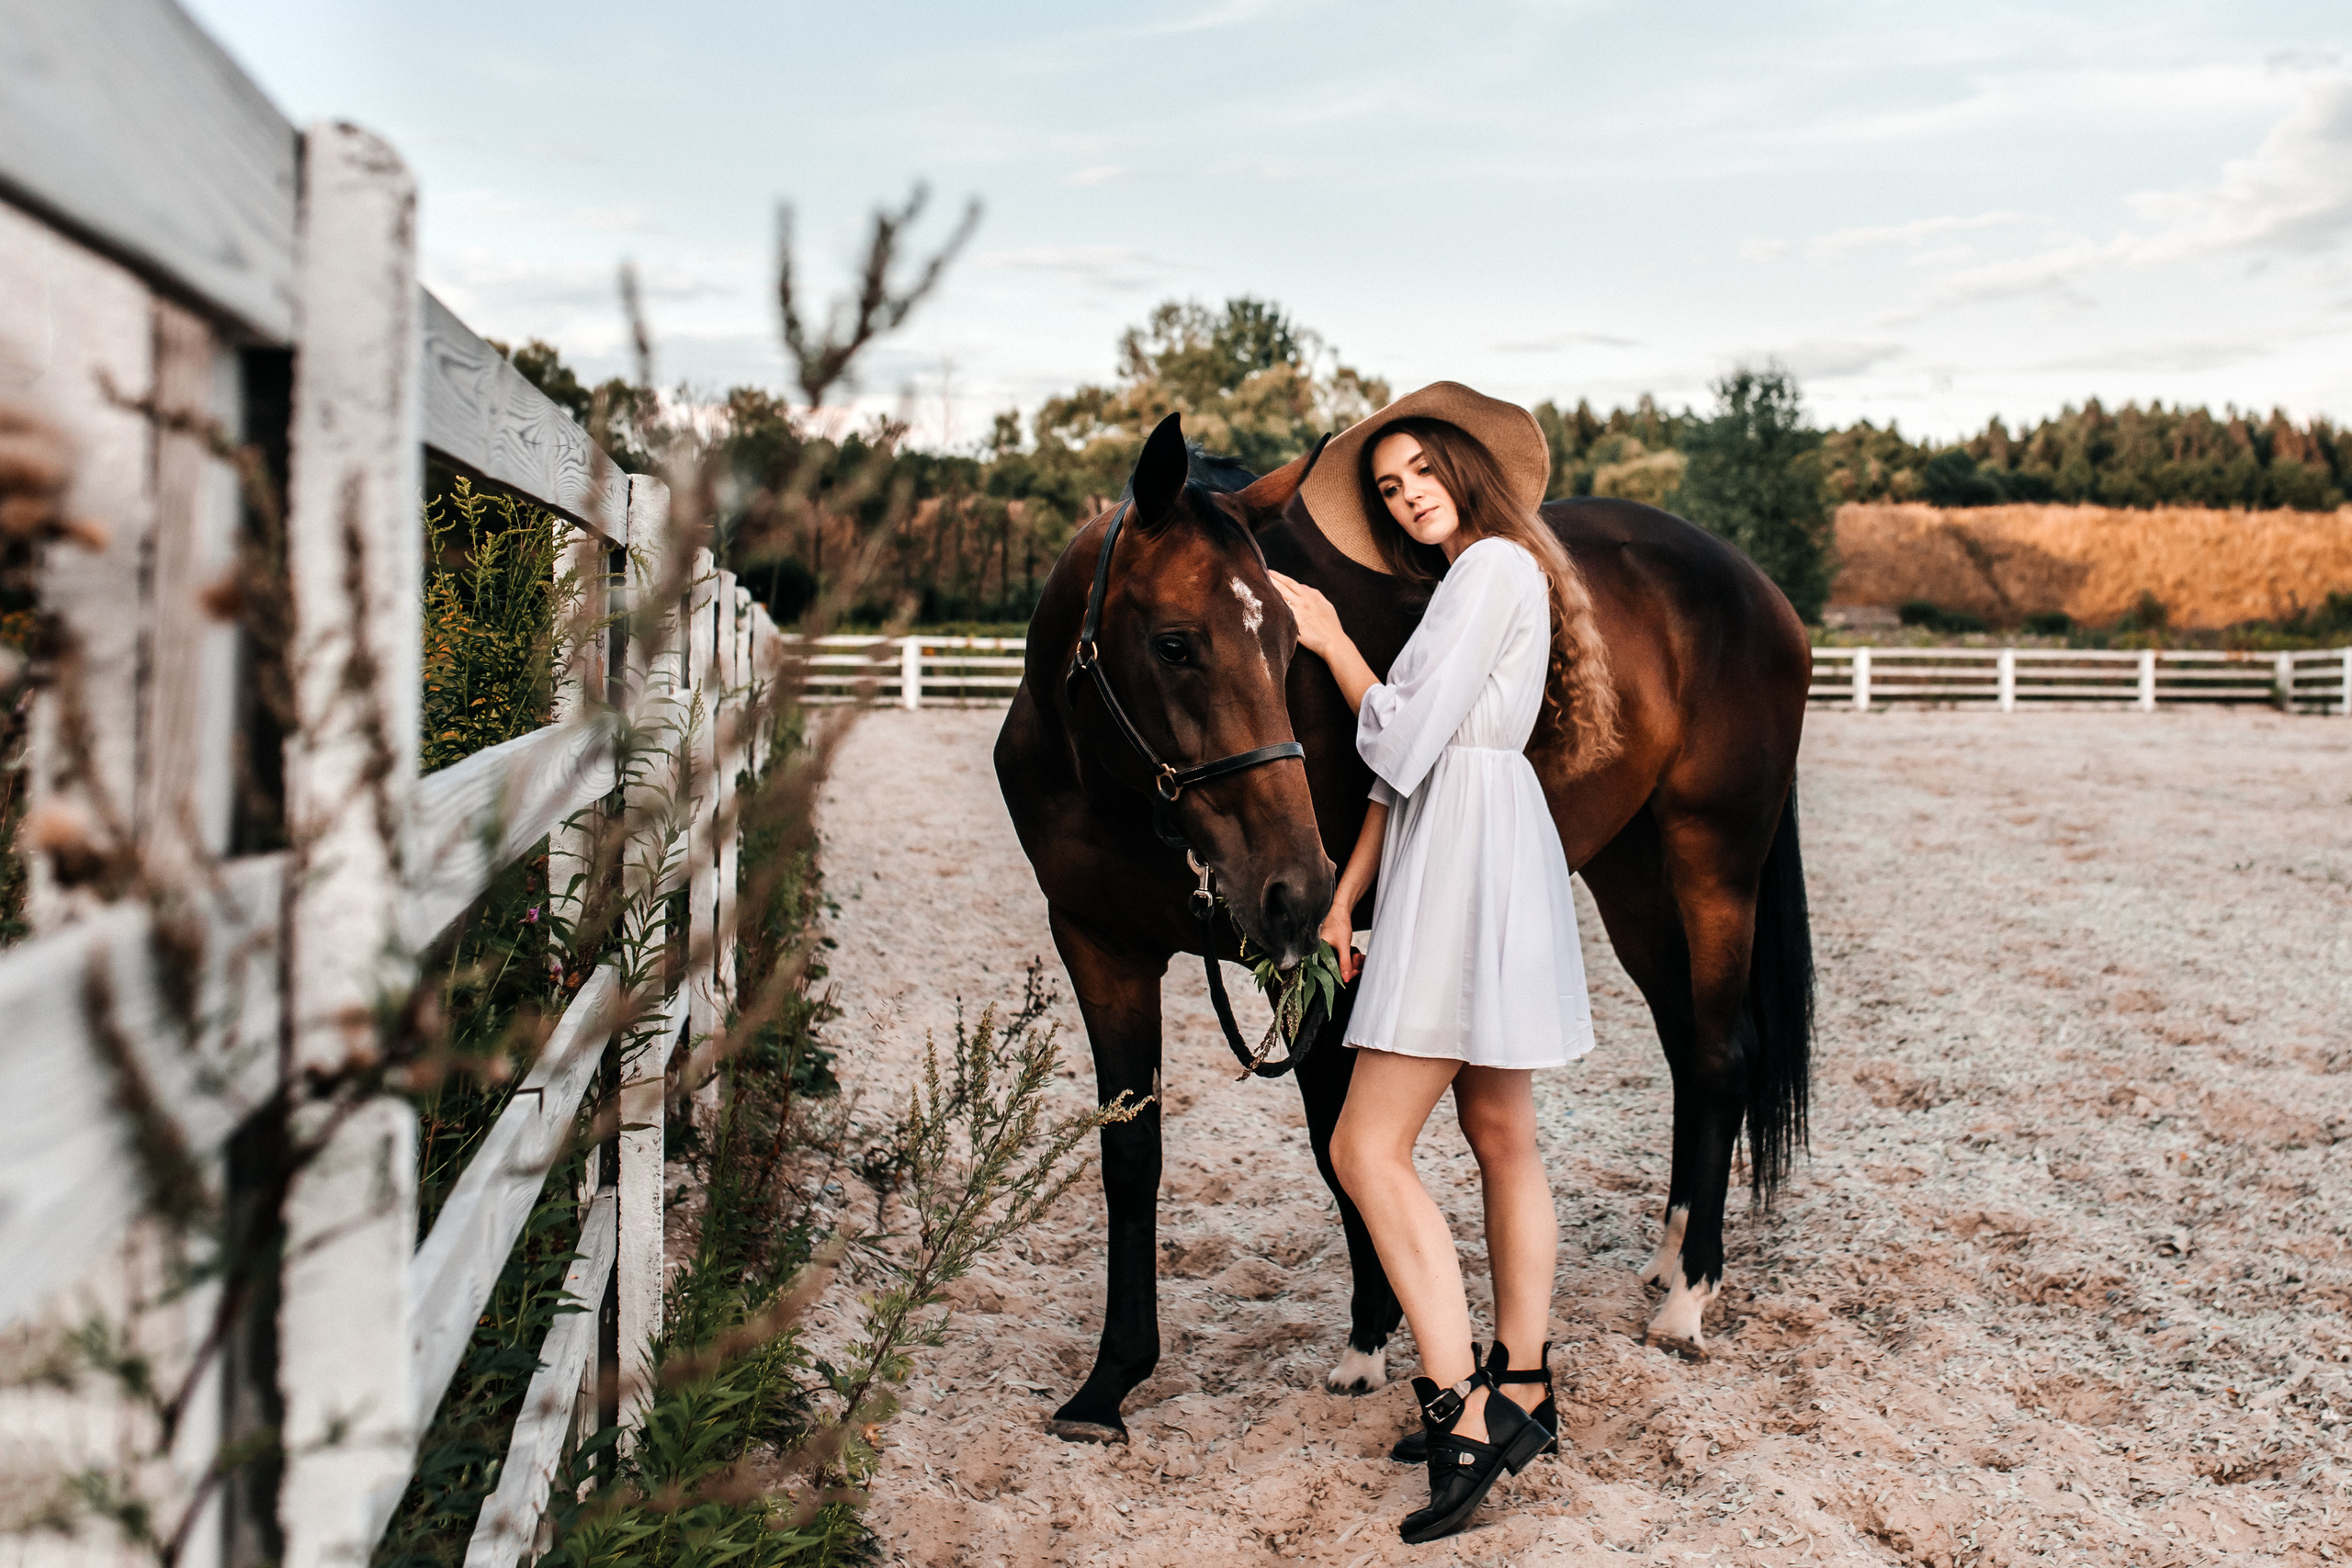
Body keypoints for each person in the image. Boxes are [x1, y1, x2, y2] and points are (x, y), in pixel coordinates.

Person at [1269, 382, 1607, 1545]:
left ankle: (1460, 1404)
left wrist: (1329, 640)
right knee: (1500, 1134)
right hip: (1464, 838)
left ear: (1465, 470)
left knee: (1365, 1145)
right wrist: (1346, 899)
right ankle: (1523, 1388)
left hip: (1466, 848)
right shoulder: (1474, 581)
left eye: (1418, 471)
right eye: (1387, 485)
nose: (1406, 493)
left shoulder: (1493, 570)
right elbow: (1396, 775)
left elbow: (1402, 742)